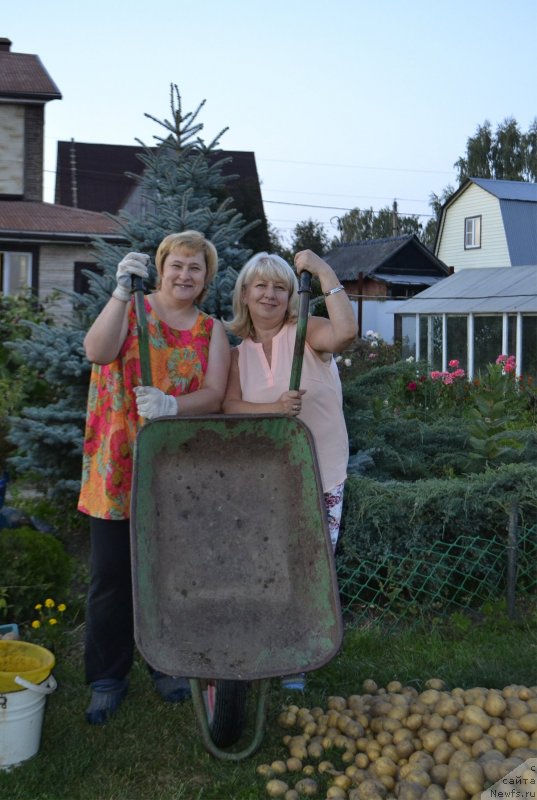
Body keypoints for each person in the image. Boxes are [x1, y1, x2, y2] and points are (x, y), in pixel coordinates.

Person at [78, 230, 230, 724]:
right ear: (160, 269)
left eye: (195, 268)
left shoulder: (211, 330)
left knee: (169, 574)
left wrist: (172, 405)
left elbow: (215, 394)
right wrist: (120, 291)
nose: (185, 275)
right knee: (111, 575)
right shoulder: (131, 310)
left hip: (174, 465)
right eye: (176, 265)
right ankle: (107, 676)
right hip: (119, 457)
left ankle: (166, 663)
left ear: (206, 278)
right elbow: (97, 351)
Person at [222, 249, 357, 690]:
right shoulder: (237, 354)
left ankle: (297, 657)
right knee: (265, 566)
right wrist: (274, 409)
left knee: (310, 566)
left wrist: (322, 270)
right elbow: (230, 406)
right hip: (265, 479)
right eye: (261, 285)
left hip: (321, 472)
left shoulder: (306, 333)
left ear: (291, 295)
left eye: (280, 286)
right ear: (245, 293)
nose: (270, 294)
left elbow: (346, 333)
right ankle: (265, 647)